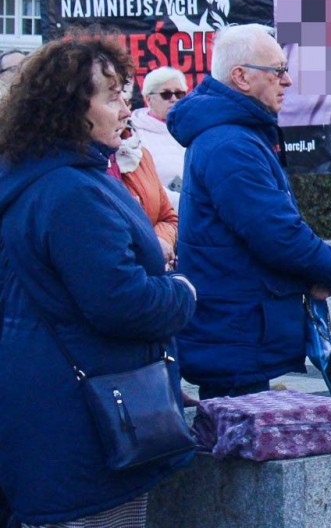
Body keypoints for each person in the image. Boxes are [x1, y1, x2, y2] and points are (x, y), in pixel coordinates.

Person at [0, 37, 197, 528]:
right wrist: (182, 292)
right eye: (111, 97)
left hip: (57, 407)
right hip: (86, 423)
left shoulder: (43, 176)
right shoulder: (70, 191)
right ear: (69, 108)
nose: (126, 109)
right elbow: (121, 303)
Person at [168, 24, 331, 399]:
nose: (287, 80)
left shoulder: (234, 134)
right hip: (236, 331)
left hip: (240, 326)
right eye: (278, 70)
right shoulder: (231, 143)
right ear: (241, 77)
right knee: (239, 428)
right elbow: (276, 234)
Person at [115, 98, 180, 270]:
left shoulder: (141, 154)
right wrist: (151, 246)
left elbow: (168, 217)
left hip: (154, 273)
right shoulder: (83, 174)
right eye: (112, 99)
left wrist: (161, 239)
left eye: (126, 101)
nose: (126, 111)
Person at [131, 67, 189, 208]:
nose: (174, 99)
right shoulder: (134, 133)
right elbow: (142, 184)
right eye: (166, 94)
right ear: (148, 99)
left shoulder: (195, 128)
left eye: (179, 94)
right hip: (165, 211)